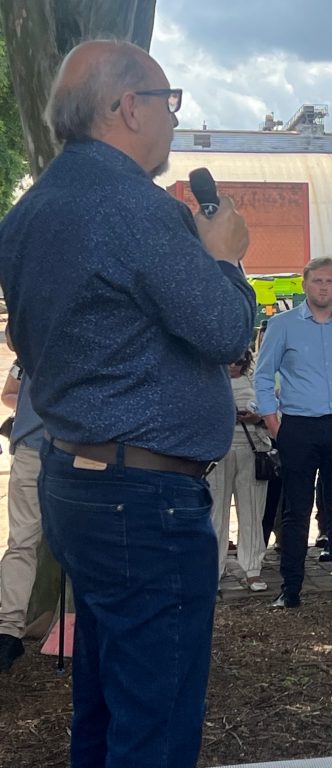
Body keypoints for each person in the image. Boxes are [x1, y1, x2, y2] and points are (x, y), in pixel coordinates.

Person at [0, 40, 254, 765]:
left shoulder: (29, 212)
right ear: (126, 108)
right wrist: (225, 256)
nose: (175, 119)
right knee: (154, 720)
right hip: (144, 499)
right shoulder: (137, 208)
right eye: (169, 102)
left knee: (105, 700)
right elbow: (225, 331)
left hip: (74, 478)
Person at [255, 258, 332, 609]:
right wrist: (272, 422)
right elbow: (263, 374)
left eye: (330, 281)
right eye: (318, 281)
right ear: (305, 285)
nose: (324, 287)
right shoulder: (282, 325)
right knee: (297, 511)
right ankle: (290, 588)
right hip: (298, 427)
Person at [208, 348, 272, 591]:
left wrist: (256, 418)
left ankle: (252, 569)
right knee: (216, 513)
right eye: (229, 361)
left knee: (252, 510)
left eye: (239, 360)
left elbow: (272, 412)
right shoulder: (209, 378)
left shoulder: (256, 378)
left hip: (252, 449)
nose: (234, 365)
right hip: (218, 452)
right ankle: (214, 568)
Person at [0, 353, 46, 673]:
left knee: (22, 543)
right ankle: (7, 630)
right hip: (40, 447)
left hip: (73, 449)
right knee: (22, 542)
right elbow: (9, 392)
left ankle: (9, 629)